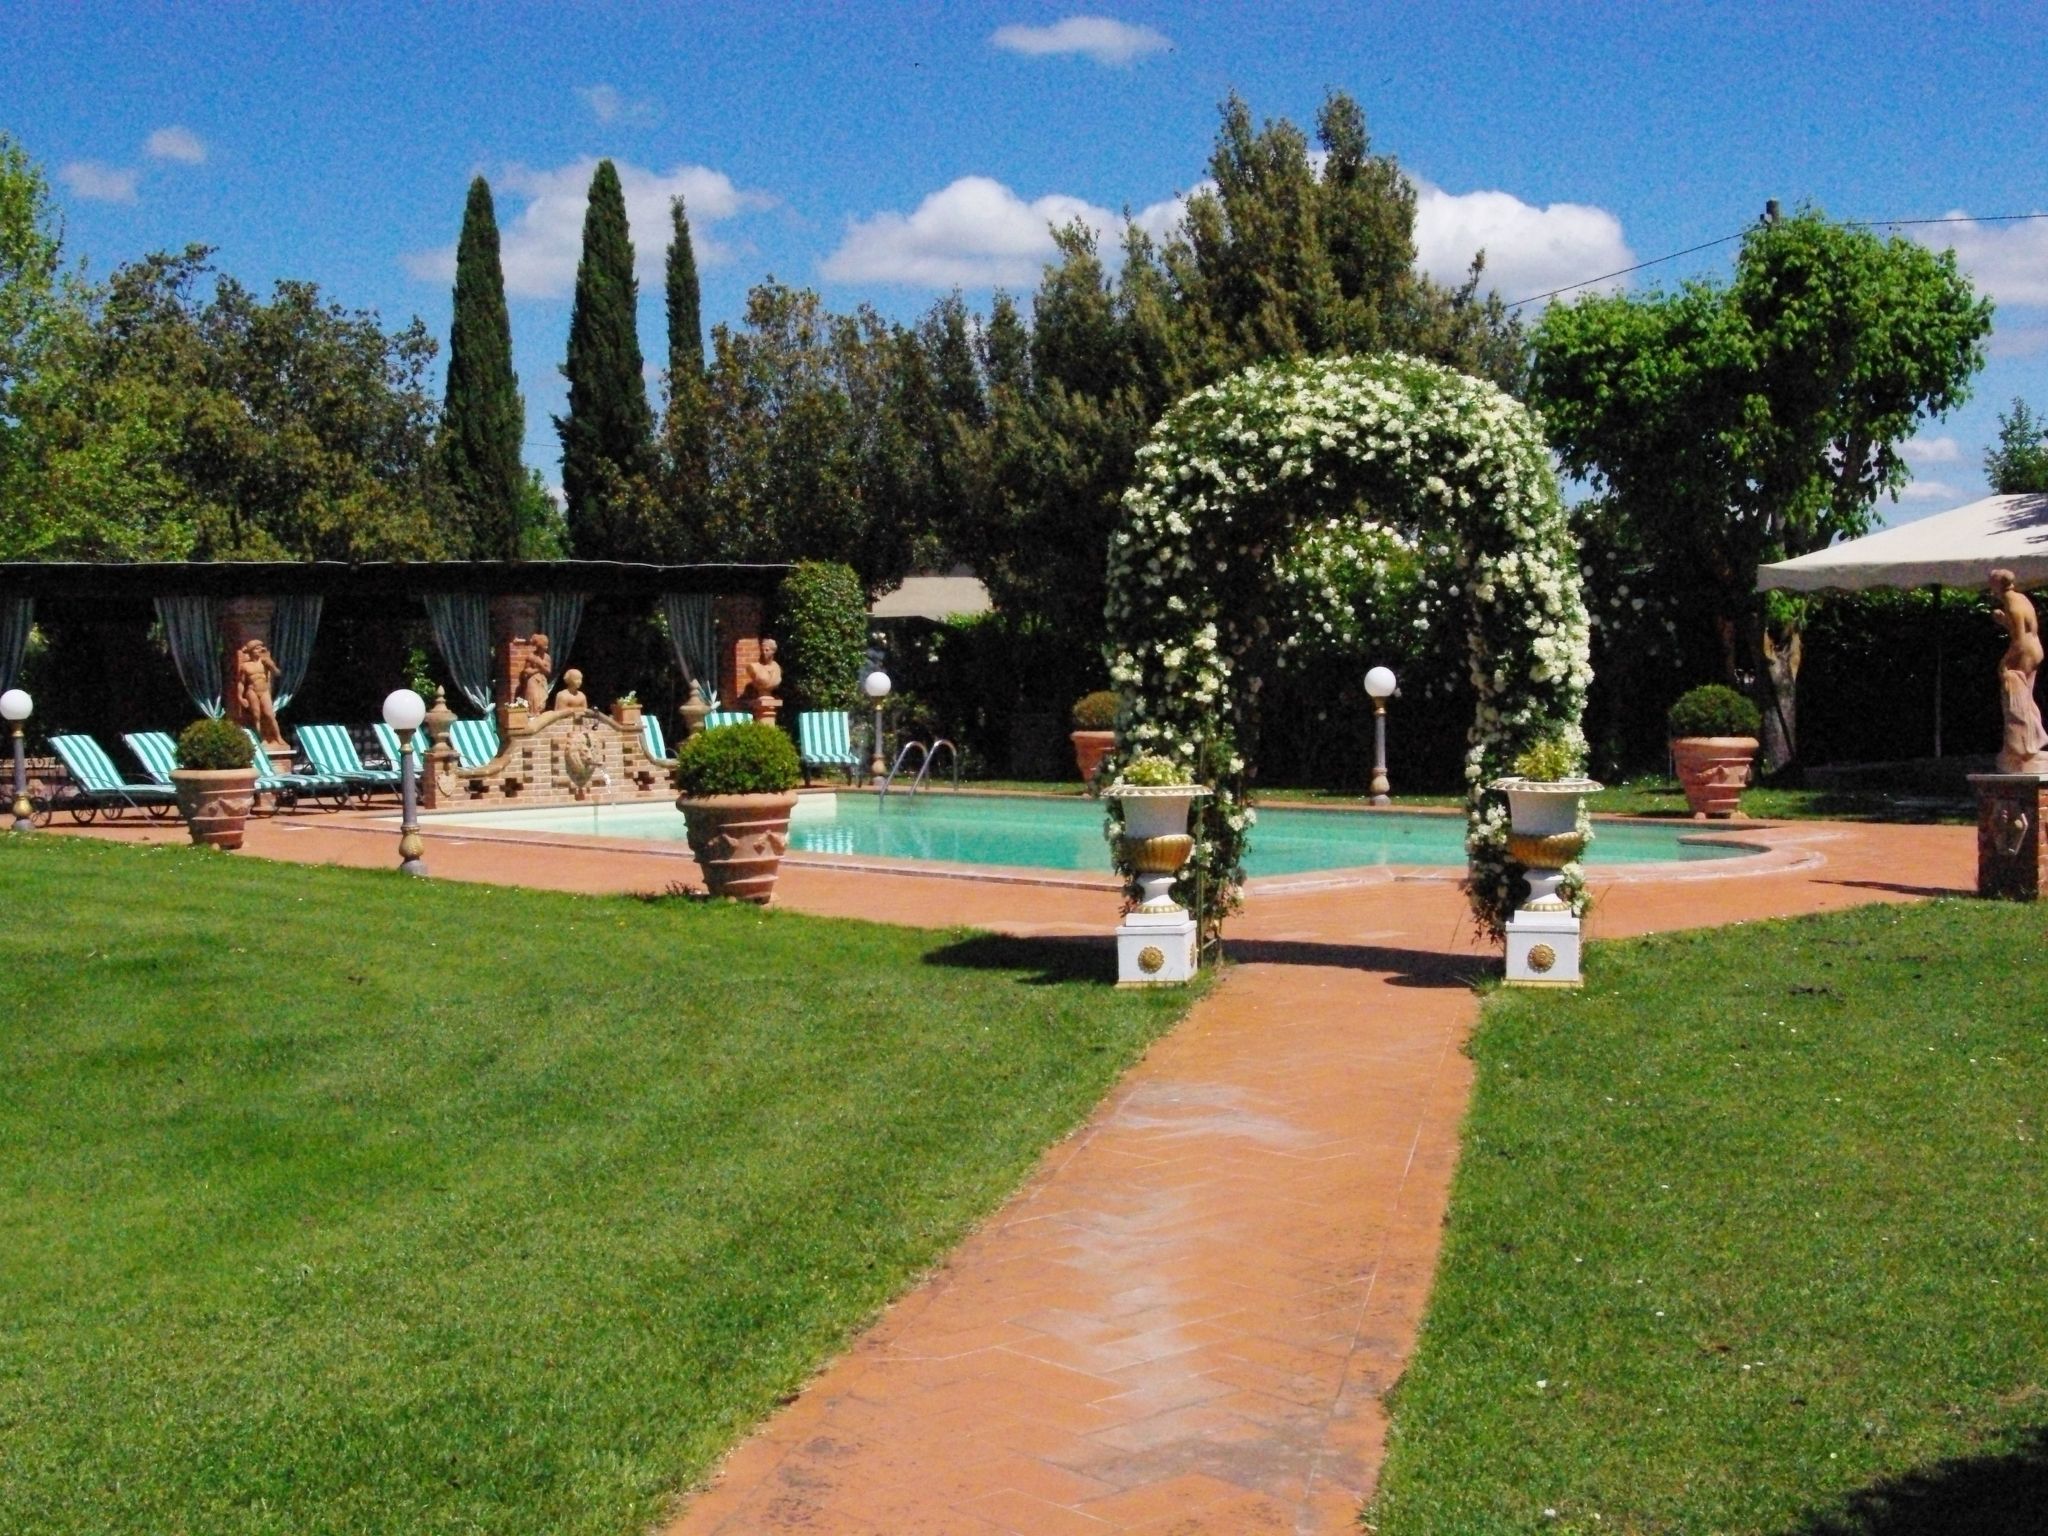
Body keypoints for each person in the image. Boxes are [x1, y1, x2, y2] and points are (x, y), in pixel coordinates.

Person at [1990, 568, 2048, 772]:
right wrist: (2003, 621)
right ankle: (2031, 744)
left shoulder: (2012, 604)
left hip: (2025, 652)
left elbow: (2019, 640)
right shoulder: (2020, 598)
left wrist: (2005, 661)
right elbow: (2026, 629)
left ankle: (2022, 749)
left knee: (2014, 696)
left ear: (1997, 585)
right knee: (2025, 696)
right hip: (2035, 649)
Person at [235, 639, 284, 747]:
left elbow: (277, 673)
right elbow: (241, 683)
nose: (259, 650)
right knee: (256, 715)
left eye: (260, 648)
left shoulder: (264, 662)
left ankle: (278, 737)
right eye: (256, 648)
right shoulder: (245, 666)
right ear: (251, 651)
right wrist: (240, 697)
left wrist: (270, 663)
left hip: (264, 691)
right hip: (252, 691)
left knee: (269, 714)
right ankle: (262, 738)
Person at [515, 632, 553, 714]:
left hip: (542, 680)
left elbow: (548, 671)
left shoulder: (547, 657)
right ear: (539, 647)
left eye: (547, 646)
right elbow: (526, 671)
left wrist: (541, 665)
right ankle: (532, 715)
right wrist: (538, 669)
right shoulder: (531, 656)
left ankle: (540, 715)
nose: (546, 648)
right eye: (544, 646)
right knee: (534, 699)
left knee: (542, 701)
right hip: (532, 680)